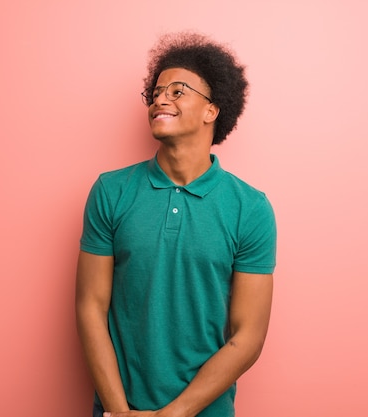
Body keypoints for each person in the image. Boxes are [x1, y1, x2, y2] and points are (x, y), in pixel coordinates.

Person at [76, 32, 277, 417]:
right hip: (119, 409)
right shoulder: (110, 191)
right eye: (155, 91)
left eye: (178, 90)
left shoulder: (250, 209)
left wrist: (175, 414)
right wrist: (120, 412)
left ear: (212, 111)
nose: (160, 98)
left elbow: (248, 336)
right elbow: (90, 306)